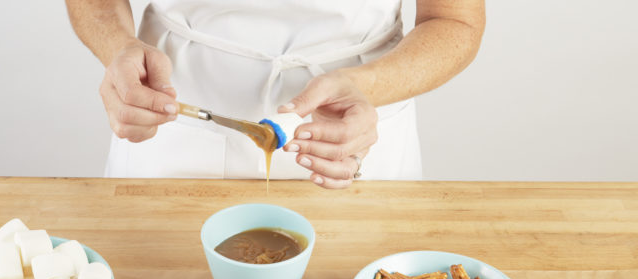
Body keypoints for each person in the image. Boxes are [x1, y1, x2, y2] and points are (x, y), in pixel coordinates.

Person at [66, 0, 485, 189]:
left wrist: (368, 86)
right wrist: (118, 48)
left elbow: (453, 19)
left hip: (356, 134)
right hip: (176, 125)